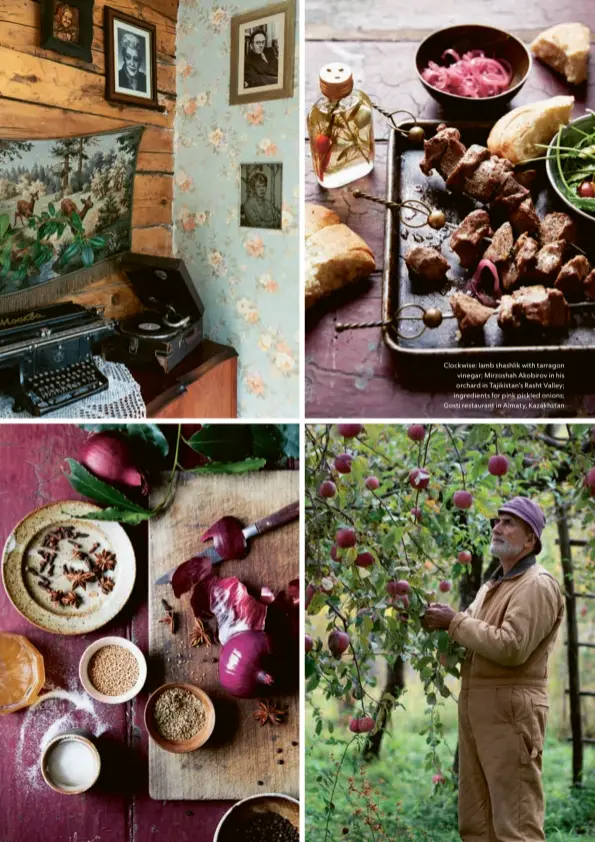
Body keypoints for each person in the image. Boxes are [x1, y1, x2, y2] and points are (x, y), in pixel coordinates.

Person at [424, 497, 564, 842]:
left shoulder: (536, 585)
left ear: (530, 539)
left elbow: (512, 646)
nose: (497, 528)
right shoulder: (493, 586)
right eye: (497, 521)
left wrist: (453, 622)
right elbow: (471, 636)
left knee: (515, 824)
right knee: (476, 824)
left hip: (512, 713)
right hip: (479, 709)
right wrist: (443, 635)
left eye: (508, 522)